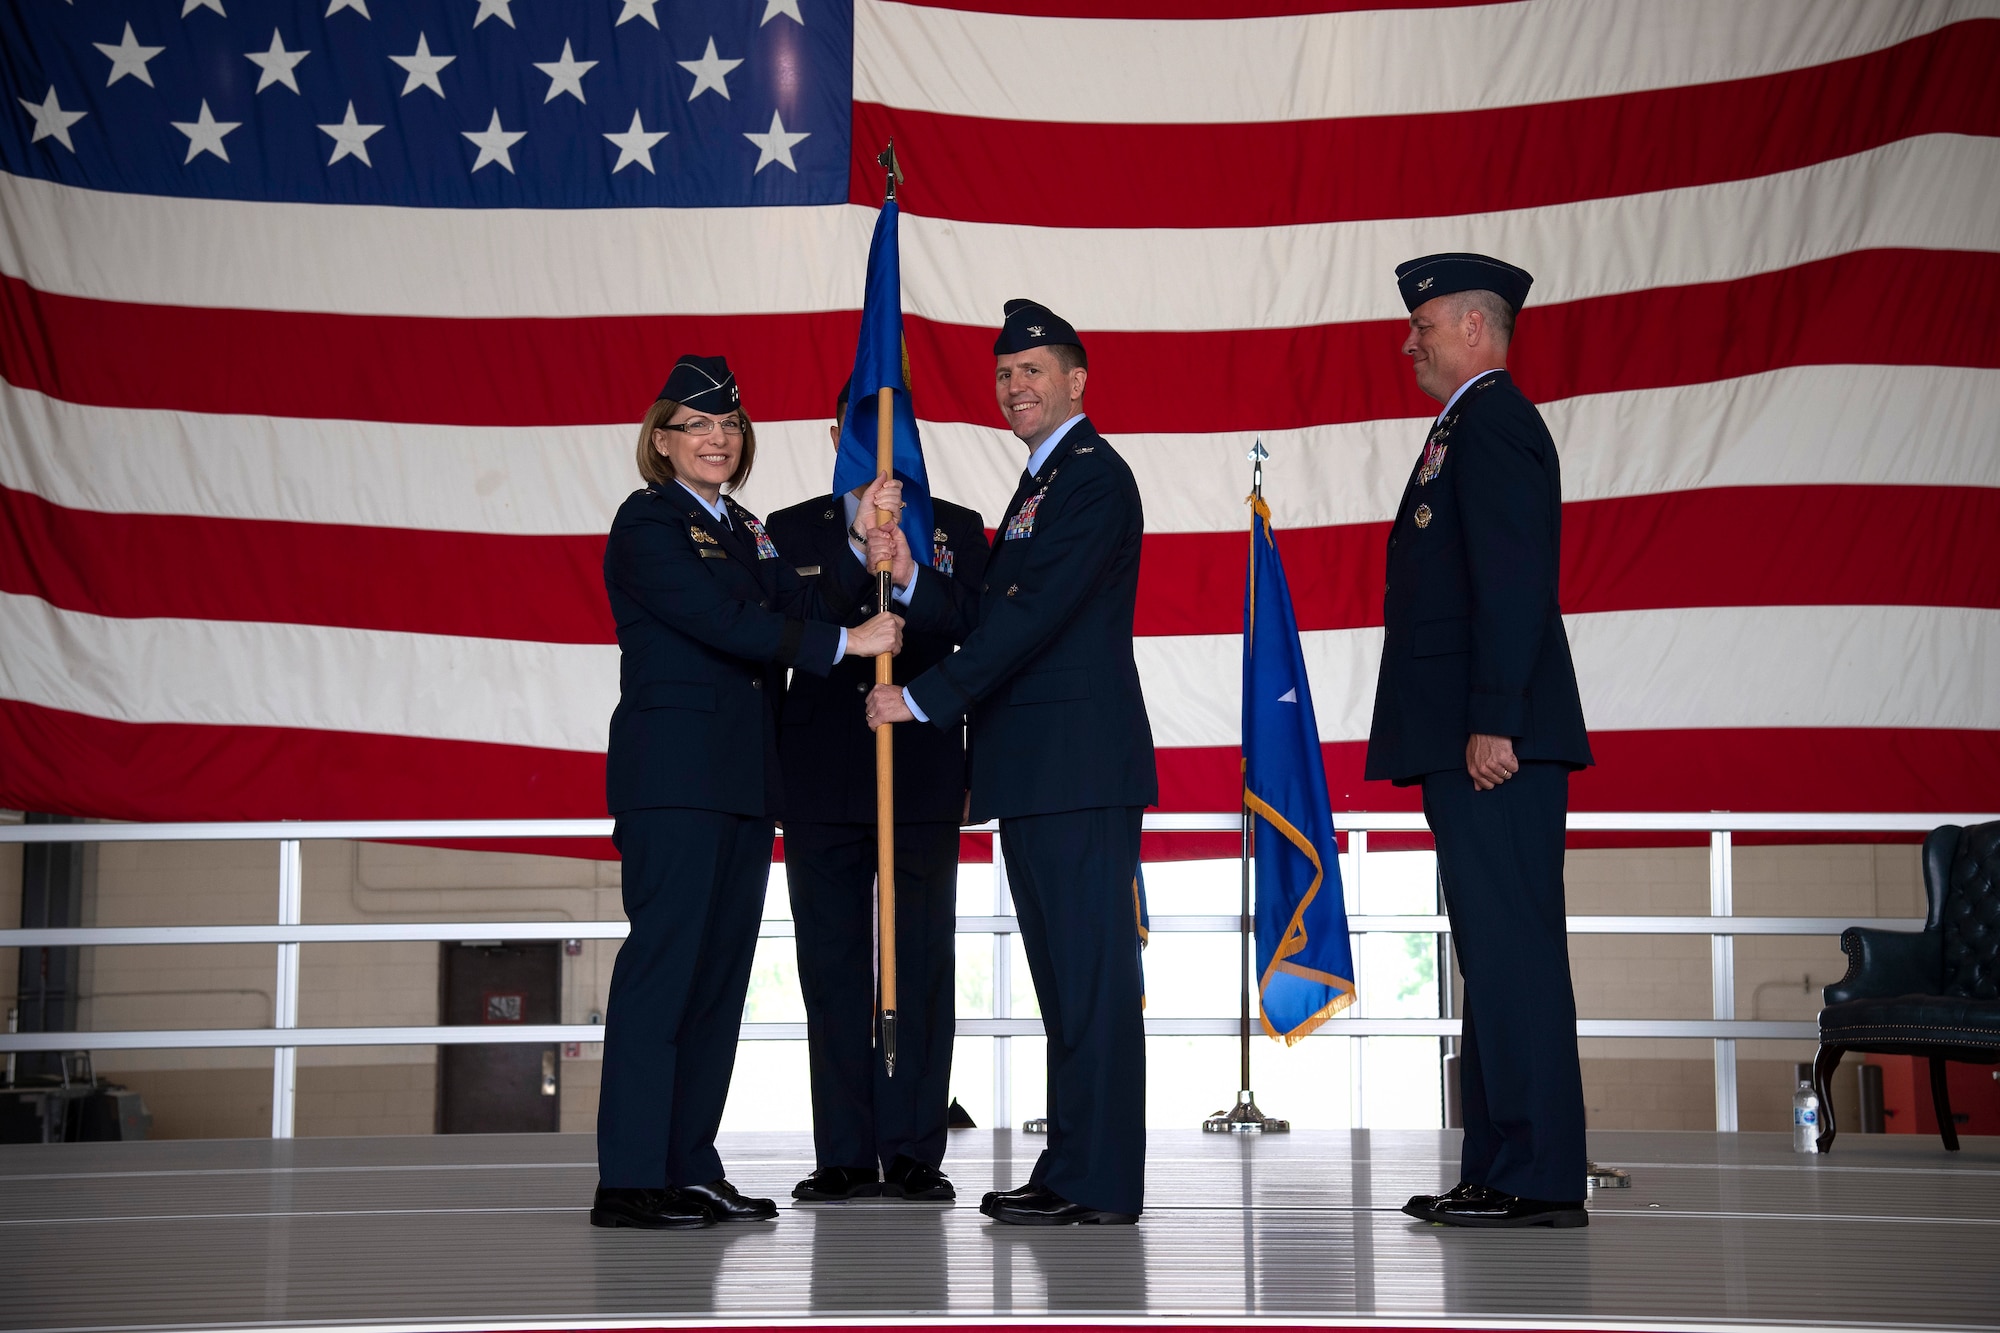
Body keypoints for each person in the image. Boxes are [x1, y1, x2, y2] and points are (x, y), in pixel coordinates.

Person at [592, 354, 905, 1231]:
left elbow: (791, 596)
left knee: (720, 979)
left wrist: (861, 544)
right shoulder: (649, 523)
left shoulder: (746, 526)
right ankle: (629, 1180)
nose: (717, 440)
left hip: (739, 781)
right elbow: (728, 623)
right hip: (675, 781)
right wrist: (848, 642)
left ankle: (688, 1164)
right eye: (698, 427)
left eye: (728, 427)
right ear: (663, 441)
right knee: (664, 975)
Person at [865, 300, 1156, 1226]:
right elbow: (995, 606)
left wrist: (918, 698)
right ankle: (1071, 1168)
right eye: (1005, 374)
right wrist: (911, 575)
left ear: (1077, 381)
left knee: (1092, 985)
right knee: (1066, 986)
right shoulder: (1039, 484)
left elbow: (1032, 620)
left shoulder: (1092, 479)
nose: (1016, 385)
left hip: (1076, 770)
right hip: (1041, 773)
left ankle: (1100, 1181)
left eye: (1035, 370)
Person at [1366, 254, 1595, 1229]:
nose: (1407, 339)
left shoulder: (1494, 421)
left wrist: (1493, 712)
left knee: (1514, 955)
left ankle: (1538, 1176)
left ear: (1471, 325)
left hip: (1493, 733)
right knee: (1490, 957)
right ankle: (1497, 1164)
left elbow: (1511, 577)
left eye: (1422, 323)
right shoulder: (1462, 423)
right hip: (1466, 728)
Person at [764, 382, 989, 1203]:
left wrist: (910, 566)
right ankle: (847, 1153)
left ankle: (914, 1150)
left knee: (923, 963)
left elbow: (976, 632)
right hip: (822, 778)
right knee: (832, 968)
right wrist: (862, 560)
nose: (880, 455)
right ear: (835, 437)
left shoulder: (956, 529)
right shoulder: (789, 532)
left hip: (923, 776)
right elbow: (784, 628)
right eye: (862, 435)